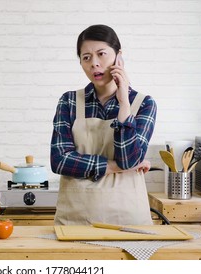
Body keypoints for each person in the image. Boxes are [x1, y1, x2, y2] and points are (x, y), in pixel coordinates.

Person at [50, 24, 157, 226]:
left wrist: (124, 103)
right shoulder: (69, 101)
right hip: (75, 220)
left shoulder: (143, 104)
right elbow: (59, 161)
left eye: (101, 54)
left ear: (119, 57)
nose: (94, 64)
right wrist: (115, 166)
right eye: (86, 57)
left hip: (129, 222)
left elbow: (128, 159)